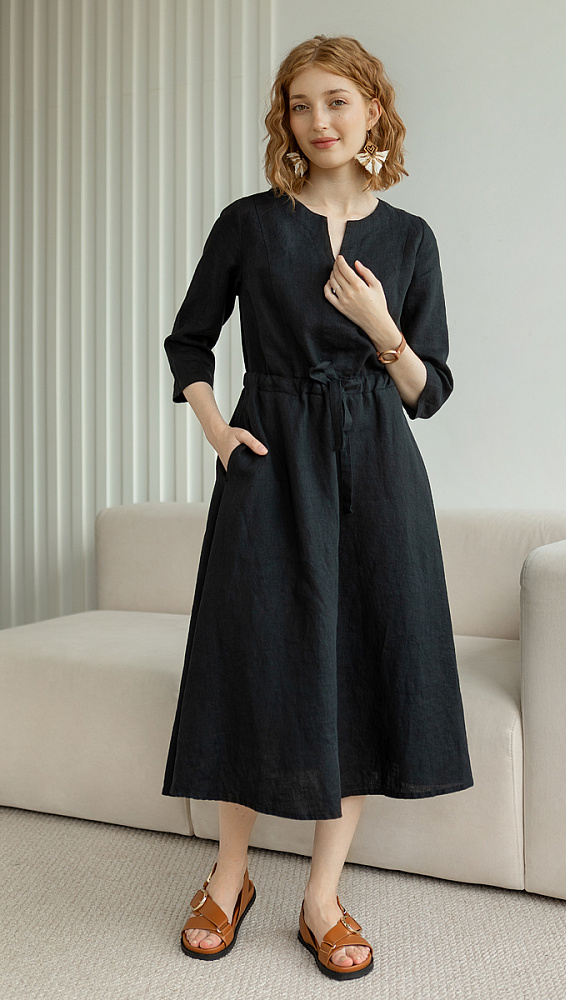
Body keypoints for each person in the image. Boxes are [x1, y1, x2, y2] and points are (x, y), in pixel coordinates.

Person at [161, 34, 474, 980]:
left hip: (377, 469)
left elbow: (428, 390)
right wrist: (218, 432)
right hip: (271, 461)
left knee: (363, 665)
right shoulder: (250, 225)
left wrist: (382, 328)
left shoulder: (410, 239)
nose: (319, 120)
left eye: (337, 100)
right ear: (285, 119)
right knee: (250, 659)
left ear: (373, 108)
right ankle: (229, 876)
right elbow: (189, 342)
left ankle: (322, 897)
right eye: (300, 104)